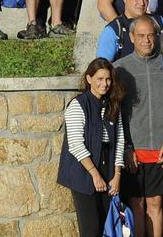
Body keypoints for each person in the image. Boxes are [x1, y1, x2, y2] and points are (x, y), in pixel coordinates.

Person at [113, 15, 163, 237]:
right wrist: (126, 149)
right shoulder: (119, 69)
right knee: (137, 204)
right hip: (133, 152)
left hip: (161, 149)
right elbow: (115, 115)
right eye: (141, 36)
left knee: (156, 204)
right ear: (132, 38)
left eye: (151, 35)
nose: (147, 40)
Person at [58, 58, 125, 236]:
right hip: (84, 170)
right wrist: (95, 175)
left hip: (108, 167)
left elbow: (119, 141)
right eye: (100, 79)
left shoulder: (113, 106)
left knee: (107, 225)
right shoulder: (78, 105)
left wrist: (117, 175)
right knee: (91, 228)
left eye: (108, 79)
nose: (105, 84)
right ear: (89, 79)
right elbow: (75, 144)